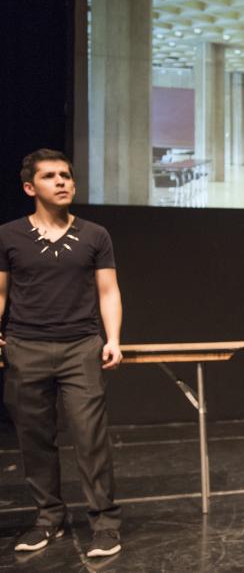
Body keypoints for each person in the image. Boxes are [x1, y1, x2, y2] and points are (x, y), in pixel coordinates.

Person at [0, 149, 124, 557]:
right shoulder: (8, 235)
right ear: (29, 187)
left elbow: (108, 290)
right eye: (51, 176)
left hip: (80, 347)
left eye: (67, 175)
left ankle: (105, 524)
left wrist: (113, 338)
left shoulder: (95, 234)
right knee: (35, 439)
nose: (62, 181)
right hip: (24, 346)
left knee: (90, 438)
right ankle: (48, 520)